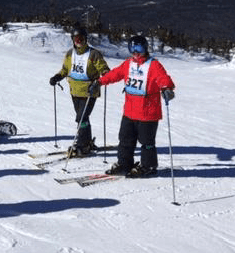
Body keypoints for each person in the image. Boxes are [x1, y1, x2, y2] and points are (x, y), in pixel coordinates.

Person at [97, 35, 176, 177]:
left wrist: (166, 89)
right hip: (130, 111)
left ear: (145, 48)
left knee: (147, 142)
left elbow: (163, 78)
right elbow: (115, 74)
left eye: (138, 48)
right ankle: (124, 164)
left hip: (148, 112)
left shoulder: (153, 65)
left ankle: (148, 166)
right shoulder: (128, 64)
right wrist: (99, 82)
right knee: (125, 140)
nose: (135, 52)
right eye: (132, 49)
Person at [49, 26, 110, 157]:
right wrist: (57, 77)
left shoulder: (94, 54)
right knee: (83, 118)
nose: (79, 41)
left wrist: (100, 80)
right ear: (72, 40)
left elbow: (105, 70)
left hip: (89, 91)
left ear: (86, 39)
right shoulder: (70, 54)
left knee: (81, 118)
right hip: (75, 91)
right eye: (76, 38)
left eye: (81, 38)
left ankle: (82, 145)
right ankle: (87, 141)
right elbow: (65, 70)